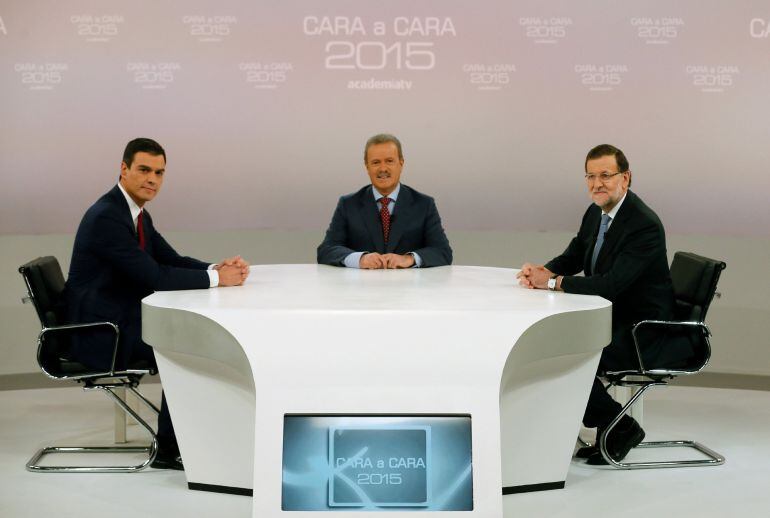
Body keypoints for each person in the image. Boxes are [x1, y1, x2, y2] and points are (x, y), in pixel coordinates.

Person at [65, 138, 250, 470]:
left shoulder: (136, 214)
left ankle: (181, 440)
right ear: (124, 169)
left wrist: (216, 269)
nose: (152, 179)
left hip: (118, 318)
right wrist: (221, 281)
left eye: (160, 173)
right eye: (144, 170)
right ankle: (170, 449)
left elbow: (170, 259)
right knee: (186, 348)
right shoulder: (108, 216)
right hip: (98, 333)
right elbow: (156, 277)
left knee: (188, 340)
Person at [516, 144, 692, 465]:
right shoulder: (595, 211)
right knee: (556, 351)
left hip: (644, 331)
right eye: (590, 176)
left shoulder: (643, 224)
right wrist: (545, 271)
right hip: (614, 319)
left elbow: (611, 284)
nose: (597, 184)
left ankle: (619, 427)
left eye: (606, 175)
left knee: (567, 357)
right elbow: (573, 255)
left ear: (625, 178)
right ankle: (615, 426)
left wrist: (553, 284)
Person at [317, 134, 452, 269]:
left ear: (401, 163)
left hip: (409, 288)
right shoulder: (348, 204)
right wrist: (360, 259)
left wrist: (409, 258)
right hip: (361, 288)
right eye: (376, 162)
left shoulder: (424, 204)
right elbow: (326, 250)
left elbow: (443, 252)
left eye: (389, 161)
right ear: (367, 167)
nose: (383, 169)